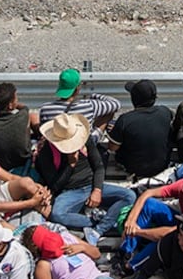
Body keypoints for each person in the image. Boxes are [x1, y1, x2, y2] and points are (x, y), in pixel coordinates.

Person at [36, 114, 136, 245]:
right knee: (57, 215)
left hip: (91, 185)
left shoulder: (85, 139)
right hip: (69, 191)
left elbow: (98, 167)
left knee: (129, 196)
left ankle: (99, 230)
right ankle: (98, 219)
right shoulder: (46, 152)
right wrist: (70, 165)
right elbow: (55, 185)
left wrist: (97, 190)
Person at [108, 80, 173, 179]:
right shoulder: (165, 112)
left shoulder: (125, 120)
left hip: (133, 168)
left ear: (133, 98)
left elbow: (112, 147)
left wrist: (116, 131)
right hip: (161, 166)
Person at [37, 68, 121, 141]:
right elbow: (116, 104)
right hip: (84, 145)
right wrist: (94, 95)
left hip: (56, 146)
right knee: (108, 112)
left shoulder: (45, 108)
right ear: (78, 88)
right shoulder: (89, 106)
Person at [0, 82, 36, 172]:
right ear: (10, 105)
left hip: (2, 165)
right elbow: (24, 107)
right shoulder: (22, 116)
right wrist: (12, 105)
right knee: (33, 116)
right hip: (23, 161)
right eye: (16, 98)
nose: (17, 100)